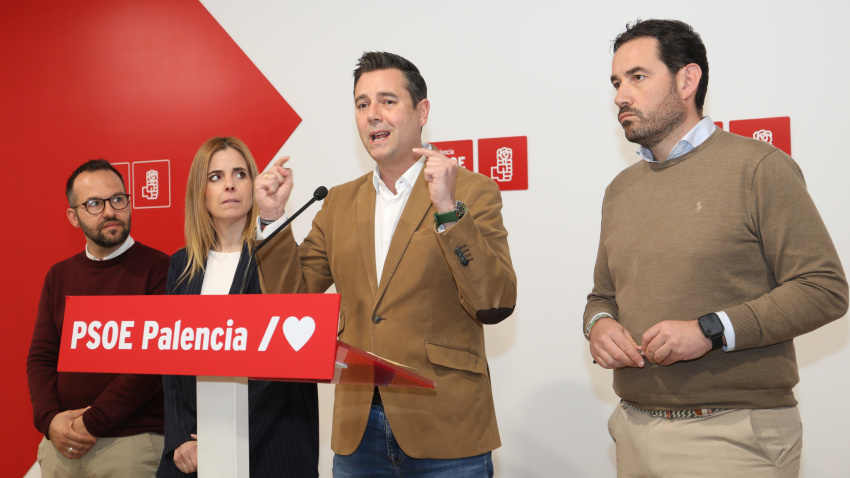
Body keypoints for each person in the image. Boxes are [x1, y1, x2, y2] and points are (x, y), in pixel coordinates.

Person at [585, 19, 849, 477]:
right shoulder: (620, 189)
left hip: (733, 434)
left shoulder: (759, 168)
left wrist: (711, 329)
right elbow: (602, 296)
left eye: (638, 77)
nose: (620, 96)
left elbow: (824, 288)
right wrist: (599, 324)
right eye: (616, 82)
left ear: (687, 80)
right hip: (632, 428)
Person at [254, 51, 517, 477]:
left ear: (422, 111)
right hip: (359, 432)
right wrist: (271, 220)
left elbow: (495, 300)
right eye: (362, 105)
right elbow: (293, 302)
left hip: (446, 425)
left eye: (387, 101)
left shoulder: (472, 190)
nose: (373, 115)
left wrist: (449, 210)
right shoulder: (338, 202)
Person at [156, 136, 319, 477]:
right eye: (215, 177)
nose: (229, 184)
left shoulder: (277, 258)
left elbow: (285, 363)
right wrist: (180, 438)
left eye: (240, 174)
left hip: (271, 446)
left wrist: (223, 437)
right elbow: (171, 363)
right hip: (193, 452)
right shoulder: (181, 266)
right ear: (199, 192)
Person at [27, 159, 169, 477]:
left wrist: (90, 423)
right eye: (94, 203)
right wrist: (50, 420)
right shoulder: (58, 276)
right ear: (73, 216)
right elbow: (41, 357)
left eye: (118, 199)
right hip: (62, 446)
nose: (109, 211)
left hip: (132, 443)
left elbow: (153, 363)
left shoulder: (161, 269)